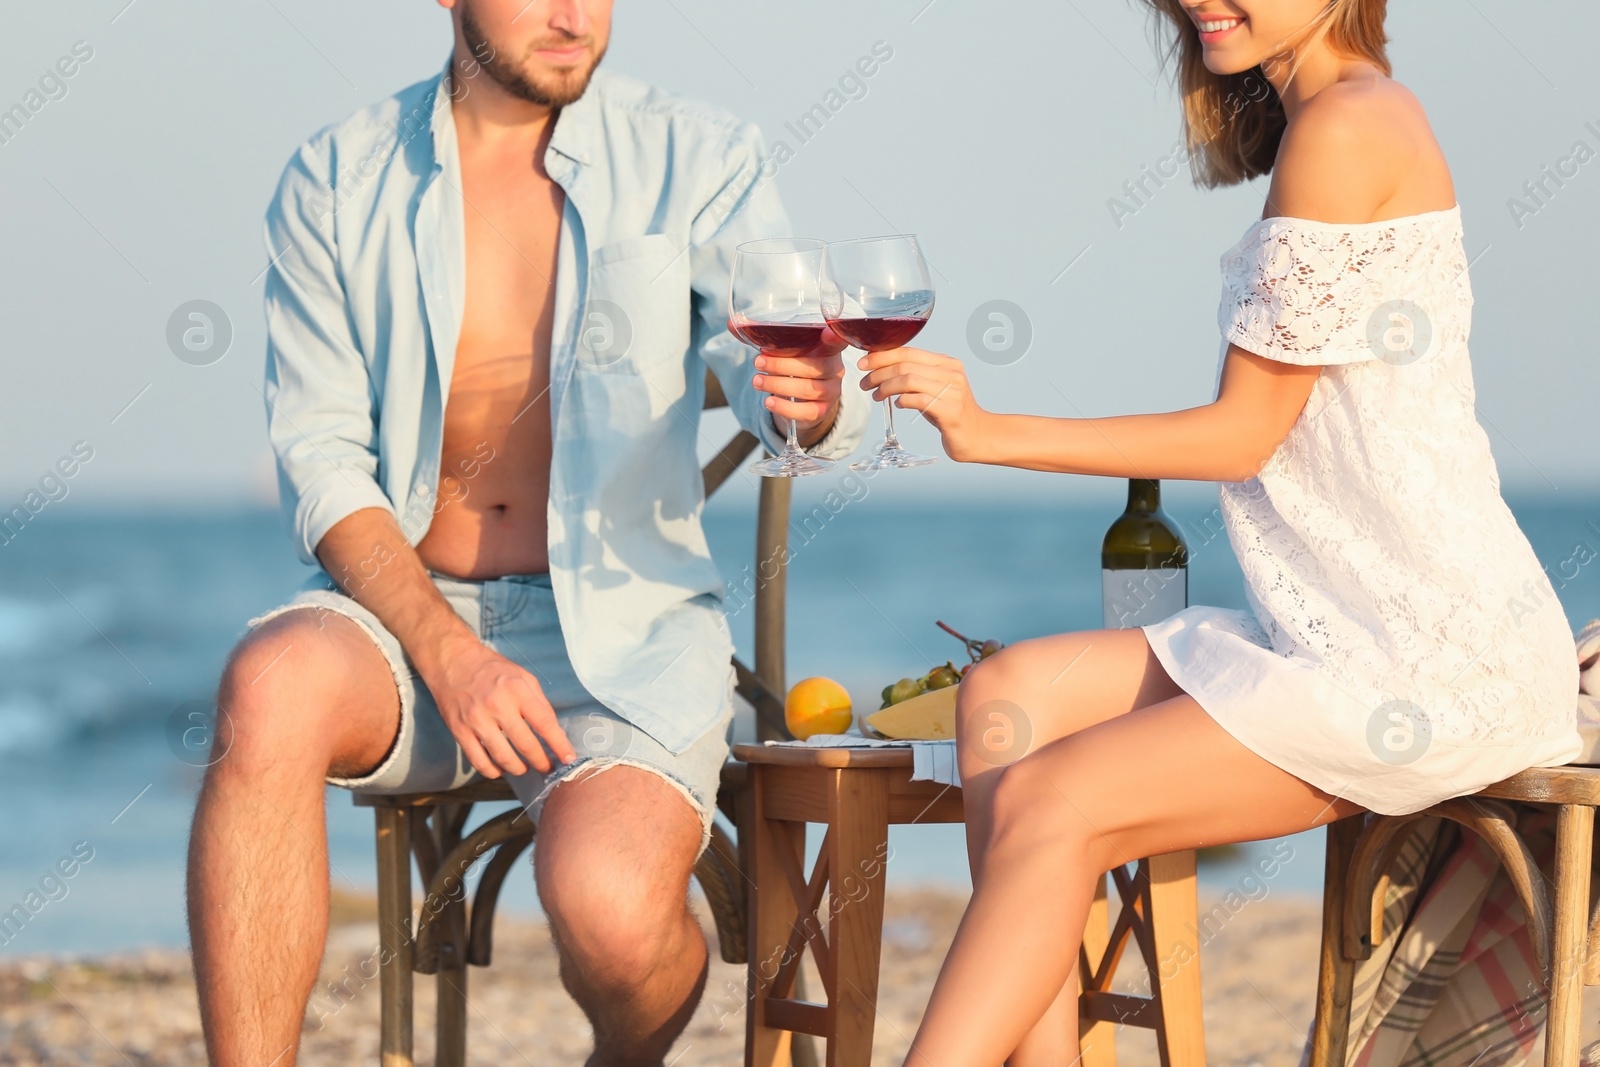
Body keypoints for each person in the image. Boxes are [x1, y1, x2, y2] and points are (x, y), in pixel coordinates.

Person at [860, 0, 1581, 1062]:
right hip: (1329, 625)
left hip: (1426, 655)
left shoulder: (1346, 127)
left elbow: (1244, 435)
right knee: (1002, 698)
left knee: (1056, 800)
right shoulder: (1329, 121)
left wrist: (986, 430)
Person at [184, 1, 866, 1064]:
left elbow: (773, 372)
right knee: (267, 684)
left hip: (622, 631)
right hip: (410, 623)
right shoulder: (335, 177)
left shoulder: (698, 155)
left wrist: (808, 399)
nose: (571, 15)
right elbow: (322, 462)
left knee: (610, 908)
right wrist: (449, 654)